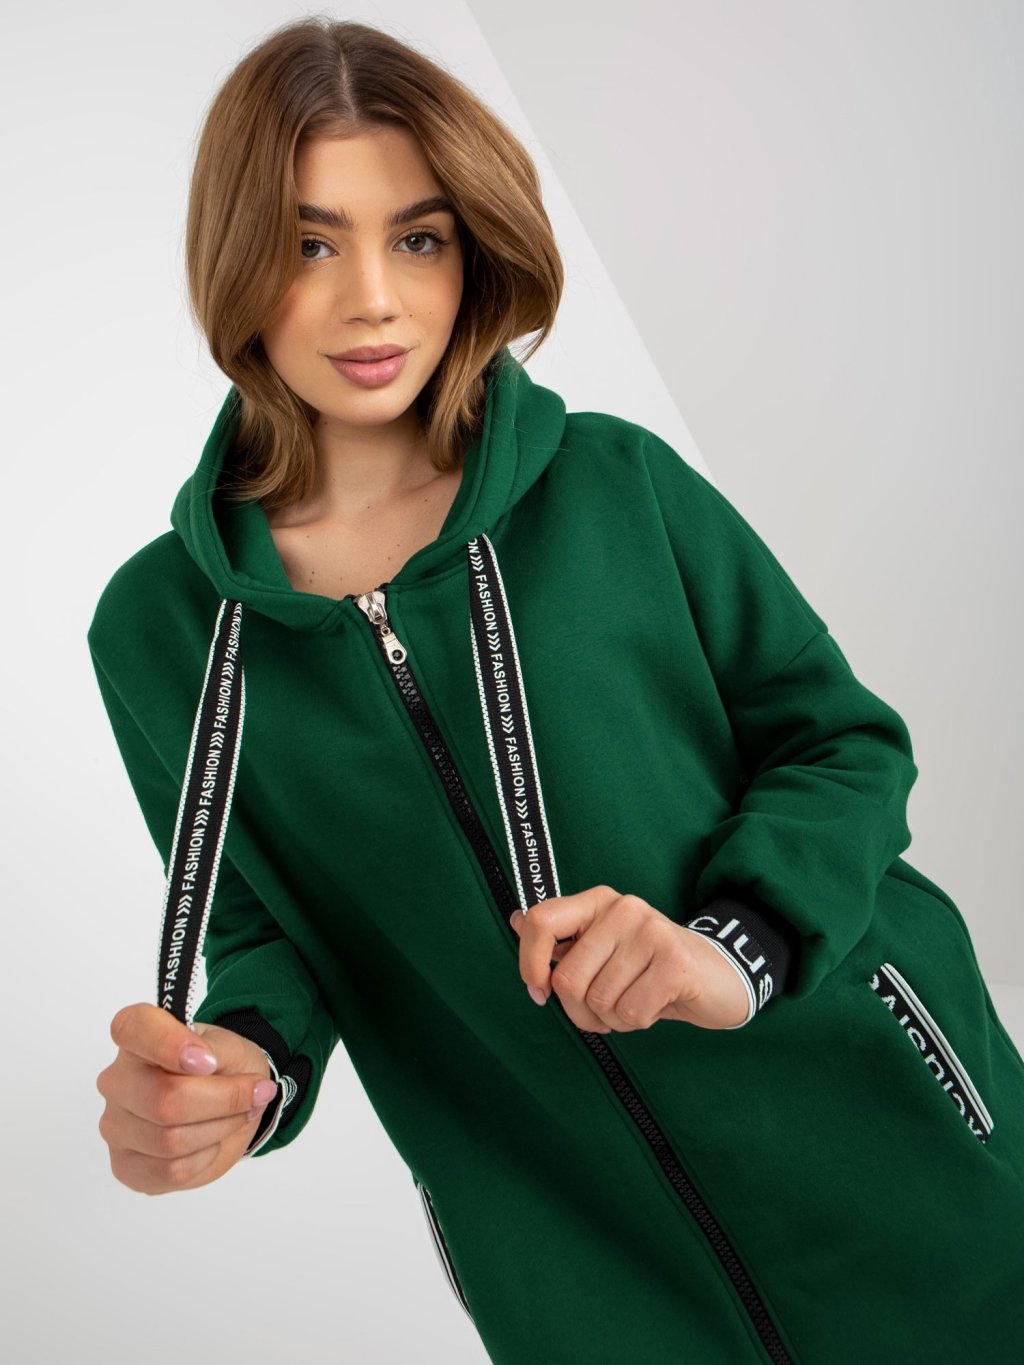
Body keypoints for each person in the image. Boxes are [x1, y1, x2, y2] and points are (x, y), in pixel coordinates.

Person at [89, 16, 1024, 1365]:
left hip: (894, 1150)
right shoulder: (163, 633)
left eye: (418, 237)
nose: (373, 299)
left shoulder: (614, 484)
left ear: (472, 247)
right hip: (587, 1275)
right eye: (310, 244)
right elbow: (262, 931)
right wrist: (240, 1072)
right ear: (233, 258)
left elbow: (843, 743)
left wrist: (730, 949)